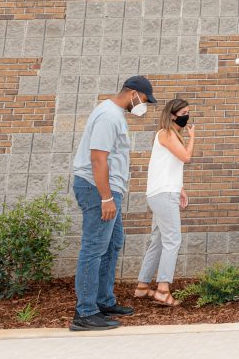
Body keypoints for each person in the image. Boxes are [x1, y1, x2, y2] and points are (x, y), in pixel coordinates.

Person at [69, 75, 157, 331]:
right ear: (132, 94)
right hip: (98, 190)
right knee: (94, 247)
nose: (143, 105)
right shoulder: (109, 116)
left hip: (107, 190)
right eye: (143, 100)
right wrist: (106, 197)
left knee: (113, 243)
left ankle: (103, 302)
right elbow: (98, 158)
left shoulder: (113, 113)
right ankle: (84, 313)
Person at [134, 98, 196, 306]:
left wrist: (180, 189)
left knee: (159, 240)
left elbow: (168, 167)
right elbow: (186, 157)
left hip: (163, 192)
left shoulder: (168, 135)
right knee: (172, 240)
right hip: (163, 195)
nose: (187, 116)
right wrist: (192, 138)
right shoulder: (167, 133)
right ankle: (162, 288)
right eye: (184, 112)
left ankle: (142, 287)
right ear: (172, 115)